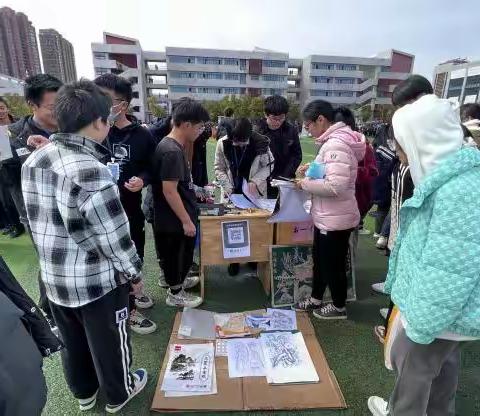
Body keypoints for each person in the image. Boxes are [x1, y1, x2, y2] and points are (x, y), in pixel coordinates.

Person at [21, 80, 147, 414]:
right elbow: (115, 237)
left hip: (54, 278)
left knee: (71, 342)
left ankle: (83, 393)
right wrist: (134, 274)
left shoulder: (36, 158)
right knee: (109, 342)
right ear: (97, 122)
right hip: (96, 282)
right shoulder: (91, 171)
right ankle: (120, 393)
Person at [368, 88, 480, 416]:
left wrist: (420, 324)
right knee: (442, 371)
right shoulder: (454, 180)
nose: (400, 155)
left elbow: (451, 268)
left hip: (438, 313)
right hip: (448, 313)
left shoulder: (458, 191)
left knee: (414, 374)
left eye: (401, 147)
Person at [94, 74, 157, 335]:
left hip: (130, 210)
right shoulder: (90, 133)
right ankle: (128, 310)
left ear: (124, 105)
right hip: (97, 213)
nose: (102, 106)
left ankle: (133, 294)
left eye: (109, 101)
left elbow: (152, 167)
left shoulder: (142, 135)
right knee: (108, 262)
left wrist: (142, 180)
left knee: (134, 255)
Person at [293, 100, 365, 320]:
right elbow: (331, 173)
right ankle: (316, 298)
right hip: (327, 216)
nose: (309, 130)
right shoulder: (332, 142)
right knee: (321, 260)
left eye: (309, 125)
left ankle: (339, 306)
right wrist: (312, 169)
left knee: (332, 264)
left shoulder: (336, 144)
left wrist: (303, 183)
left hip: (335, 218)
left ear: (321, 120)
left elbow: (335, 185)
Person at [3, 74, 63, 321]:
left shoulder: (69, 128)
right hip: (36, 213)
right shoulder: (11, 135)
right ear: (32, 105)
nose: (58, 112)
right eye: (52, 107)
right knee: (50, 261)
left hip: (67, 206)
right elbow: (6, 181)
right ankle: (49, 311)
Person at [152, 99, 209, 308]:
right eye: (200, 126)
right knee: (176, 255)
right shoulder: (171, 151)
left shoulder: (173, 146)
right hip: (173, 219)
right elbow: (169, 190)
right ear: (186, 125)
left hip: (175, 216)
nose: (201, 131)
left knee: (181, 254)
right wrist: (186, 220)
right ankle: (176, 293)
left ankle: (179, 283)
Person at [214, 117, 274, 276]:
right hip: (232, 192)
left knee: (255, 226)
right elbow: (218, 168)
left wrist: (256, 180)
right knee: (232, 227)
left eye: (243, 142)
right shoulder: (222, 143)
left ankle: (253, 258)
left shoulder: (261, 143)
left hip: (254, 192)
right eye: (236, 142)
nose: (239, 145)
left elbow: (269, 165)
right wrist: (227, 186)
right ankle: (233, 261)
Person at [256, 95, 302, 198]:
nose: (278, 122)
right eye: (274, 118)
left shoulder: (291, 130)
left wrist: (285, 175)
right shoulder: (258, 132)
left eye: (281, 118)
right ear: (266, 115)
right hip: (263, 181)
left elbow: (296, 155)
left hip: (285, 180)